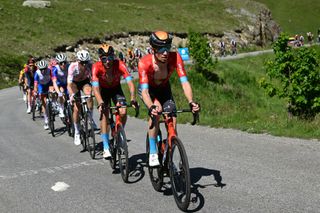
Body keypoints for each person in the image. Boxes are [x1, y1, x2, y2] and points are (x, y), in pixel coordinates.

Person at [138, 31, 200, 166]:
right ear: (153, 49)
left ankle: (170, 155)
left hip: (164, 89)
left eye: (167, 48)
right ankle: (153, 151)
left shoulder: (176, 57)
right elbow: (144, 92)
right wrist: (151, 107)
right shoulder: (144, 63)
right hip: (149, 91)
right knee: (156, 112)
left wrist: (191, 101)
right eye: (161, 49)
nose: (165, 53)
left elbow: (184, 82)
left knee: (171, 119)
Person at [92, 44, 138, 158]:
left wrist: (132, 98)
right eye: (104, 59)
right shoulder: (96, 67)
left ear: (114, 57)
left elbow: (130, 84)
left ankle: (119, 132)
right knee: (104, 115)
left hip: (116, 89)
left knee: (123, 111)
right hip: (103, 91)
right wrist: (100, 102)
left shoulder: (120, 64)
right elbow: (96, 89)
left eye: (110, 58)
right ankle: (106, 147)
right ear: (100, 59)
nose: (107, 61)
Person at [67, 50, 94, 146]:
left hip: (84, 81)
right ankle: (77, 132)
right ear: (78, 61)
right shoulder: (73, 67)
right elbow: (69, 84)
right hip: (74, 83)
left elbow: (94, 79)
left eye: (86, 62)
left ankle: (90, 116)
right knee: (76, 108)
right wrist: (72, 95)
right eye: (82, 62)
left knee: (89, 94)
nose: (84, 64)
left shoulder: (90, 65)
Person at [33, 60, 53, 130]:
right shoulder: (37, 73)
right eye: (41, 69)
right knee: (43, 102)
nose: (43, 71)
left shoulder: (49, 70)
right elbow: (35, 84)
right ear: (39, 69)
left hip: (49, 84)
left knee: (52, 91)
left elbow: (53, 79)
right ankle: (46, 120)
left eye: (44, 69)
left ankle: (53, 103)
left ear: (46, 68)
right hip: (41, 86)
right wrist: (35, 91)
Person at [52, 53, 69, 118]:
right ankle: (61, 109)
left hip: (67, 84)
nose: (63, 64)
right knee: (61, 94)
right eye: (61, 63)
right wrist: (58, 93)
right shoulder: (55, 69)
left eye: (64, 62)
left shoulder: (69, 66)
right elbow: (54, 82)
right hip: (60, 85)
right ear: (58, 63)